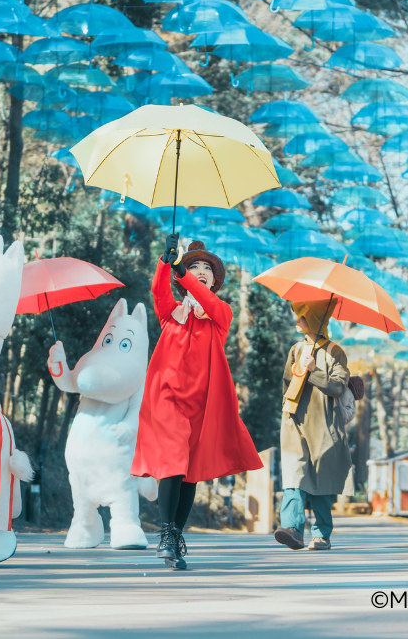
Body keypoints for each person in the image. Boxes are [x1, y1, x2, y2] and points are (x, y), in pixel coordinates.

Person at [131, 234, 263, 570]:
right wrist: (165, 263)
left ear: (216, 279)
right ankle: (164, 533)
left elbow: (202, 295)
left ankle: (175, 535)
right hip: (167, 398)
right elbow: (158, 292)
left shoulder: (221, 313)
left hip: (203, 403)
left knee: (189, 473)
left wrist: (182, 271)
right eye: (194, 265)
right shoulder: (170, 312)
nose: (201, 270)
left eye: (206, 267)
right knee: (172, 464)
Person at [273, 299, 352, 551]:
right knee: (294, 475)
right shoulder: (296, 349)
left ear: (316, 319)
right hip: (294, 421)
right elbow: (286, 384)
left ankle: (321, 534)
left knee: (320, 482)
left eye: (303, 316)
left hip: (324, 425)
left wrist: (314, 370)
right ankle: (293, 529)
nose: (297, 321)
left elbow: (338, 386)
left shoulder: (335, 352)